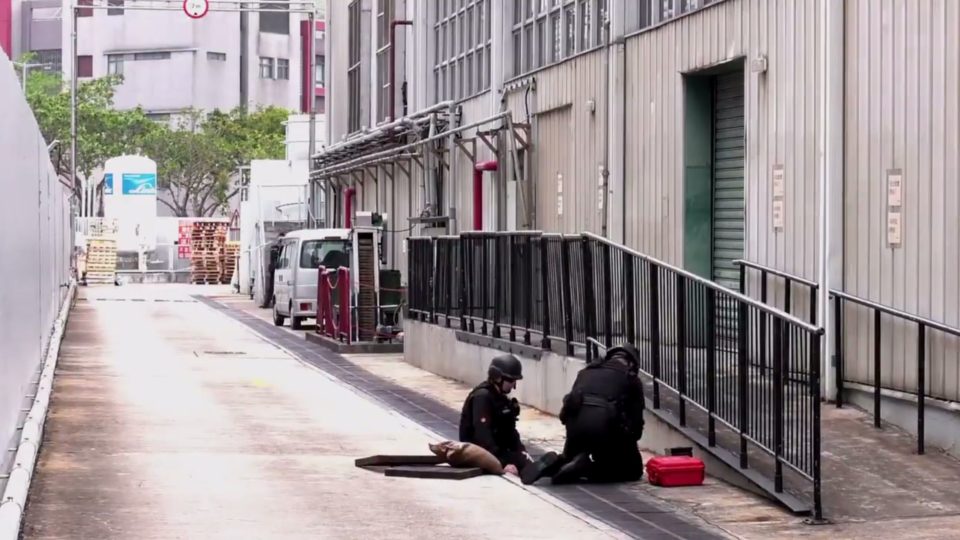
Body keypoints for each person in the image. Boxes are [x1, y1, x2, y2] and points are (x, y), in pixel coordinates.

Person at [522, 344, 646, 485]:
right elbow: (636, 429)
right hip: (604, 430)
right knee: (633, 470)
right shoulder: (632, 380)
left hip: (575, 429)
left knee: (572, 458)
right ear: (632, 363)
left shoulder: (585, 372)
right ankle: (586, 469)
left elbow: (568, 407)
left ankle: (560, 462)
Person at [459, 354, 536, 476]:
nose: (513, 385)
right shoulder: (482, 397)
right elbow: (482, 436)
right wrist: (502, 463)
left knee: (526, 462)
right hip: (480, 451)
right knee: (519, 464)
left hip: (497, 449)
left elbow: (510, 431)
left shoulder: (500, 398)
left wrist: (522, 451)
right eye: (511, 380)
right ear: (498, 378)